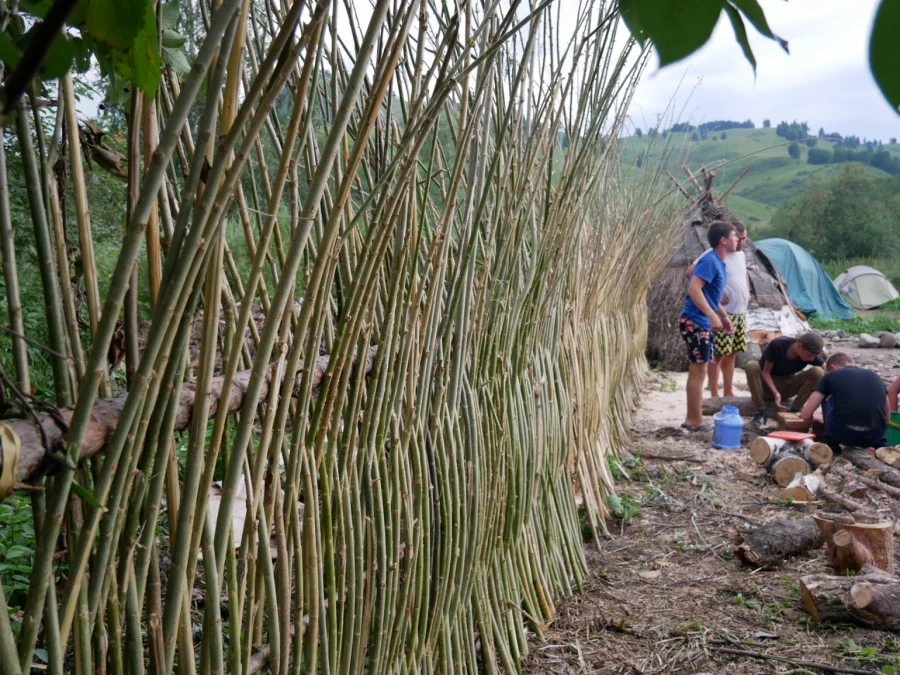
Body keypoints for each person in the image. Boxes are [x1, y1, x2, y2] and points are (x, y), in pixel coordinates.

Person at [679, 221, 739, 431]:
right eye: (733, 236)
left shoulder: (719, 263)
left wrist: (723, 316)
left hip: (702, 320)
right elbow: (695, 289)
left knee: (699, 369)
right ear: (723, 240)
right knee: (699, 370)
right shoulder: (710, 261)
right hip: (696, 320)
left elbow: (709, 295)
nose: (737, 239)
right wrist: (711, 315)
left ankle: (691, 418)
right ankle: (695, 421)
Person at [685, 223, 750, 397]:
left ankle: (728, 390)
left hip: (739, 311)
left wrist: (747, 292)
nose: (741, 242)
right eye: (738, 238)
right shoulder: (712, 256)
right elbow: (691, 273)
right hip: (722, 312)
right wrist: (715, 294)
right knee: (717, 354)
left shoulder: (741, 255)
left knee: (732, 352)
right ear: (725, 239)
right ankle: (714, 393)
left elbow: (743, 274)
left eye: (744, 239)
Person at [799, 352, 887, 451]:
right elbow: (886, 411)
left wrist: (808, 424)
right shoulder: (874, 376)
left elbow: (805, 414)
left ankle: (832, 445)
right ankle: (881, 445)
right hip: (874, 436)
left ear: (832, 368)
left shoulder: (830, 376)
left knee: (827, 395)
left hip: (843, 434)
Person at [745, 332, 825, 427]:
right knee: (752, 365)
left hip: (787, 387)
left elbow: (825, 368)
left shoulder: (810, 352)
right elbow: (765, 373)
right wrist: (775, 393)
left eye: (814, 356)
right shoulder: (778, 345)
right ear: (799, 346)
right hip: (765, 388)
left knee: (818, 371)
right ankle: (760, 412)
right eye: (810, 355)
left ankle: (794, 410)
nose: (812, 359)